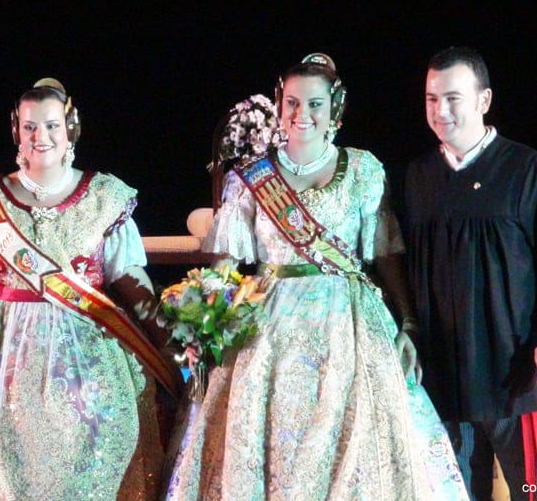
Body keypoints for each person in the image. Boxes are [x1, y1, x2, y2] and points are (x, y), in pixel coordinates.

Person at [164, 54, 468, 500]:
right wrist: (204, 324)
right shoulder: (250, 178)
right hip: (266, 331)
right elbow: (224, 269)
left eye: (314, 104)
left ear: (334, 110)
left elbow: (385, 257)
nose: (301, 114)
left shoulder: (363, 170)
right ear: (278, 105)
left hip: (349, 326)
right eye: (291, 103)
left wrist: (407, 323)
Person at [0, 78, 179, 500]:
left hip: (90, 353)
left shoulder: (105, 197)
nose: (40, 137)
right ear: (16, 131)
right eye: (30, 127)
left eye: (50, 126)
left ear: (70, 130)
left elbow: (132, 285)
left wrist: (175, 350)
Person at [403, 47, 537, 500]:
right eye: (432, 99)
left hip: (518, 385)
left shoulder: (529, 171)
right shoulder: (417, 178)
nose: (440, 110)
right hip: (442, 389)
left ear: (484, 100)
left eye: (453, 97)